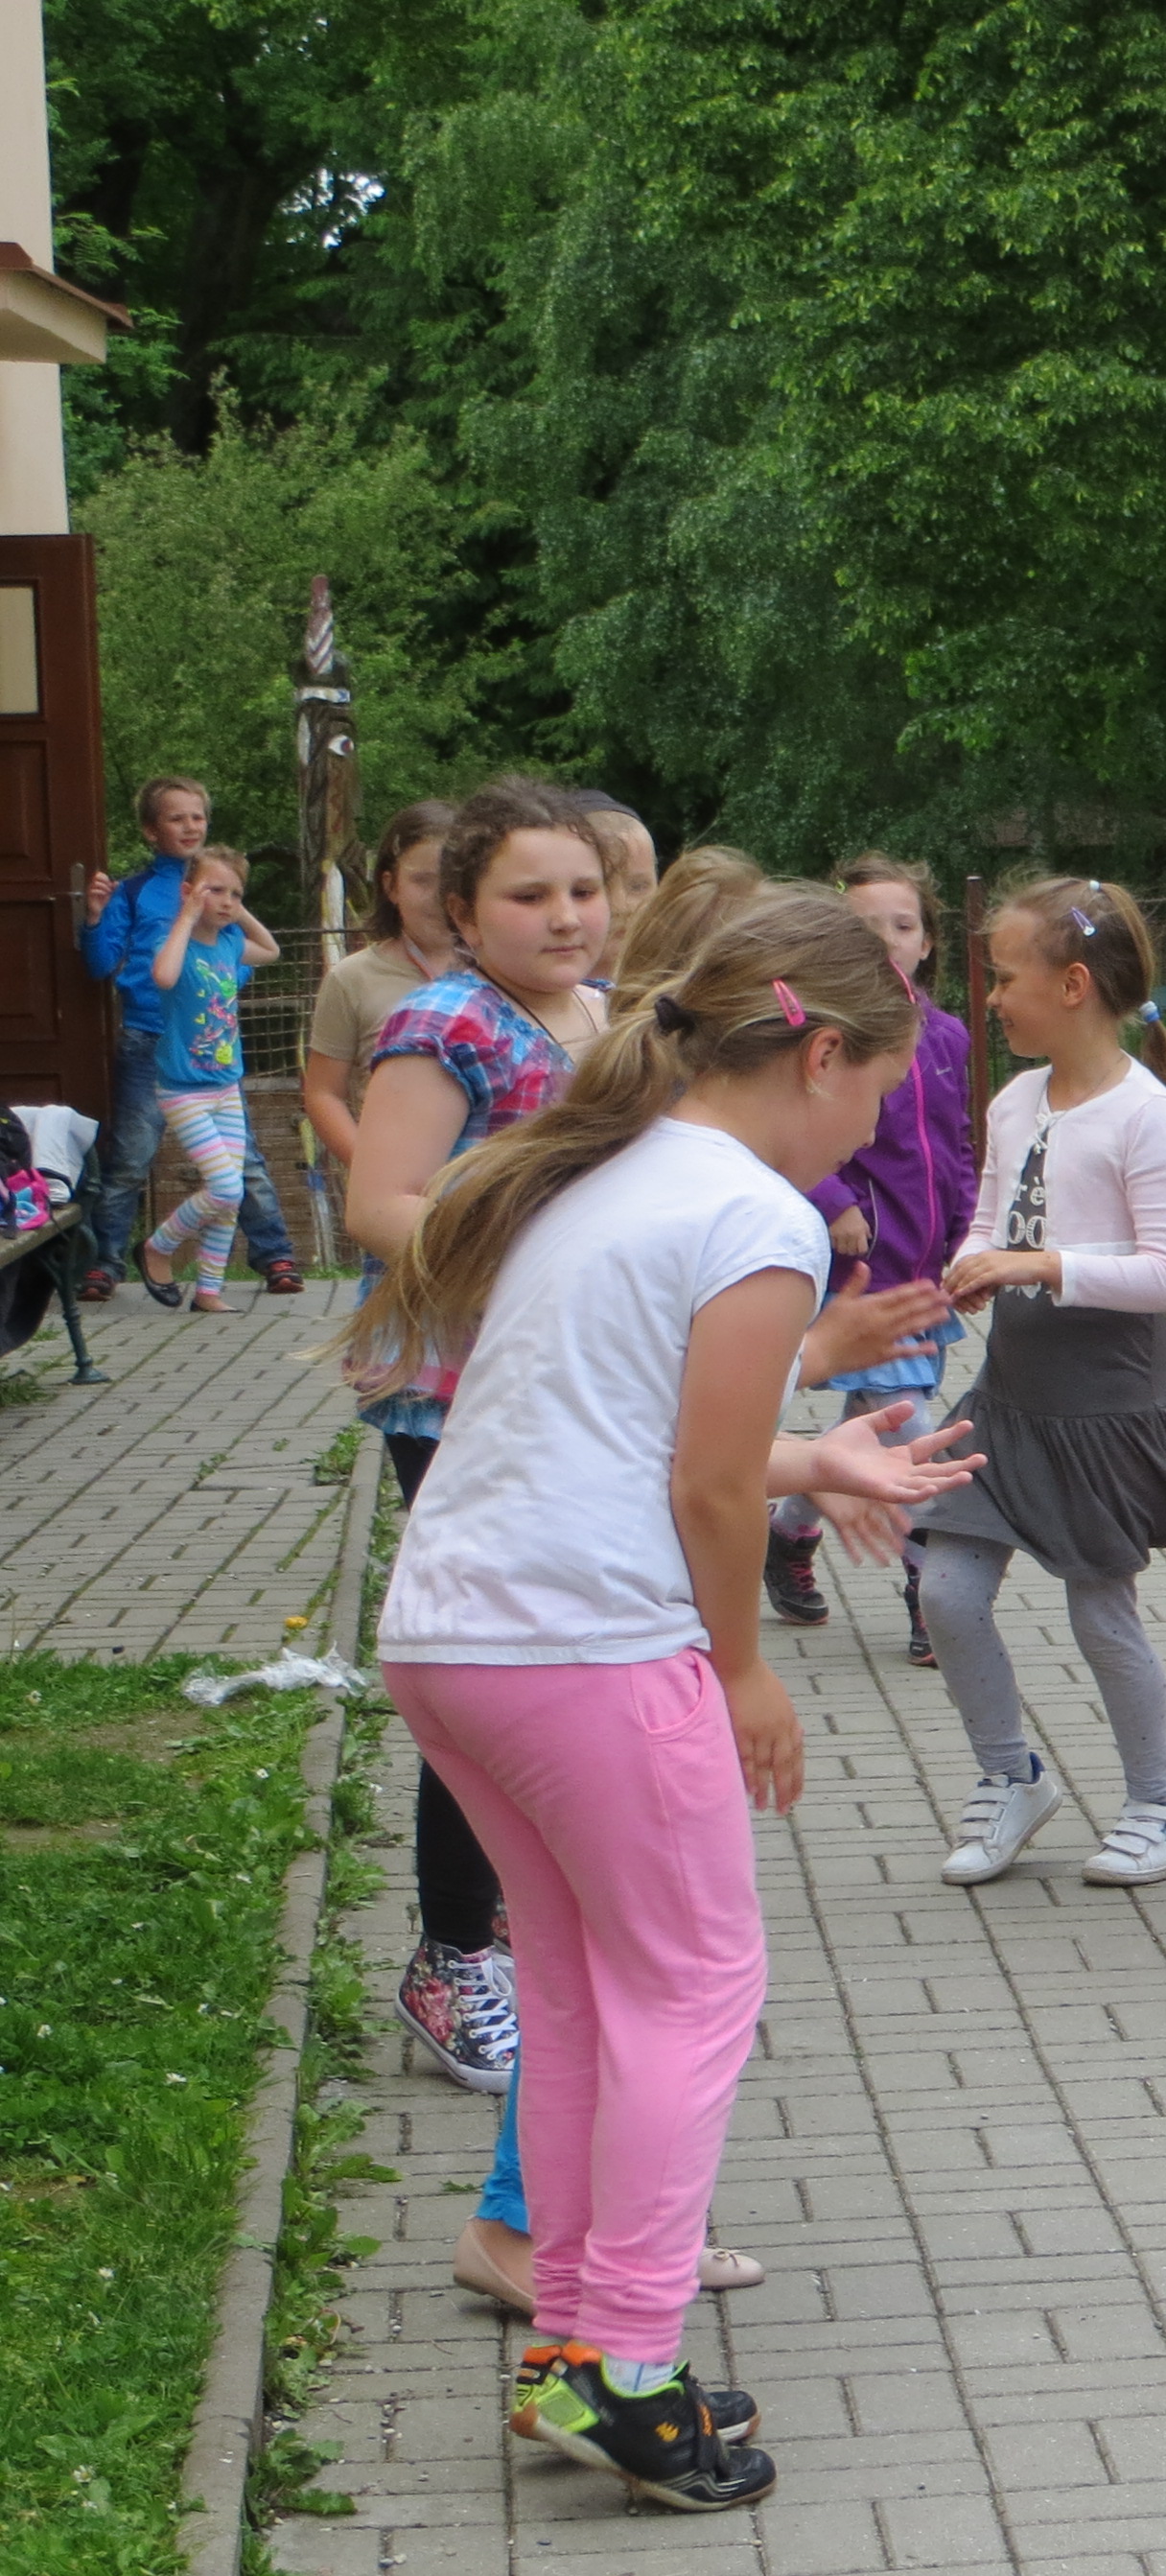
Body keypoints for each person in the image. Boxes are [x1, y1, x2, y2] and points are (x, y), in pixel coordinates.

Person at [360, 880, 983, 2511]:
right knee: (696, 1991)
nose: (877, 1125)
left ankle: (572, 2349)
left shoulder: (609, 1169)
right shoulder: (753, 1215)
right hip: (589, 1643)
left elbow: (637, 1437)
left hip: (456, 1634)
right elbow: (707, 1492)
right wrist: (747, 1669)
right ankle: (632, 2368)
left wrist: (815, 1451)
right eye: (884, 1087)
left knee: (578, 1995)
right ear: (822, 1051)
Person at [346, 781, 622, 2096]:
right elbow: (378, 1206)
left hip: (565, 1389)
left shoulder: (601, 1015)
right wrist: (542, 1266)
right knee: (488, 1673)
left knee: (552, 1673)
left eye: (582, 889)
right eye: (529, 893)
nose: (564, 915)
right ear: (462, 910)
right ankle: (449, 1956)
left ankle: (508, 1918)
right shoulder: (444, 1021)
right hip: (458, 1393)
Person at [924, 876, 1166, 1889]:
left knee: (1101, 1614)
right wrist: (974, 1262)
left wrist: (1042, 1266)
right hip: (1010, 1400)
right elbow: (991, 1218)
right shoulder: (1017, 1099)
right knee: (946, 1593)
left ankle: (1160, 1807)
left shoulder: (1147, 1119)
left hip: (1106, 1408)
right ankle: (1011, 1779)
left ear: (1075, 985)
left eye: (1006, 978)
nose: (992, 997)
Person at [763, 855, 980, 1663]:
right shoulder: (826, 1031)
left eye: (903, 926)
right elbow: (789, 1127)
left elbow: (954, 1145)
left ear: (927, 942)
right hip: (859, 1266)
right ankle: (928, 1592)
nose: (887, 942)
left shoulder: (948, 1034)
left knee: (873, 1419)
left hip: (925, 1265)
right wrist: (834, 1202)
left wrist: (965, 1236)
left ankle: (788, 1530)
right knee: (909, 1429)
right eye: (865, 930)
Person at [80, 774, 300, 1298]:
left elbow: (241, 962)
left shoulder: (225, 894)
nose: (190, 826)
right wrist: (93, 918)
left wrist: (216, 984)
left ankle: (274, 1255)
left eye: (197, 816)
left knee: (244, 1159)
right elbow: (101, 965)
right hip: (149, 1041)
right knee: (132, 1155)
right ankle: (105, 1263)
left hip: (210, 1049)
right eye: (176, 817)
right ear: (151, 830)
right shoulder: (135, 892)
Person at [133, 847, 265, 1313]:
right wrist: (187, 917)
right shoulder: (175, 942)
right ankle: (158, 1247)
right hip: (183, 1089)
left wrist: (239, 909)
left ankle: (209, 1290)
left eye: (236, 893)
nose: (227, 901)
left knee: (231, 1195)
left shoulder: (230, 942)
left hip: (226, 1086)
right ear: (189, 892)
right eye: (217, 890)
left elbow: (270, 950)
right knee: (225, 1186)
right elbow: (164, 977)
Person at [303, 801, 460, 1184]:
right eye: (423, 880)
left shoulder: (505, 967)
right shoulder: (351, 979)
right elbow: (323, 1093)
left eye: (453, 880)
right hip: (401, 1198)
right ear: (390, 885)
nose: (440, 896)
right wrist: (375, 1174)